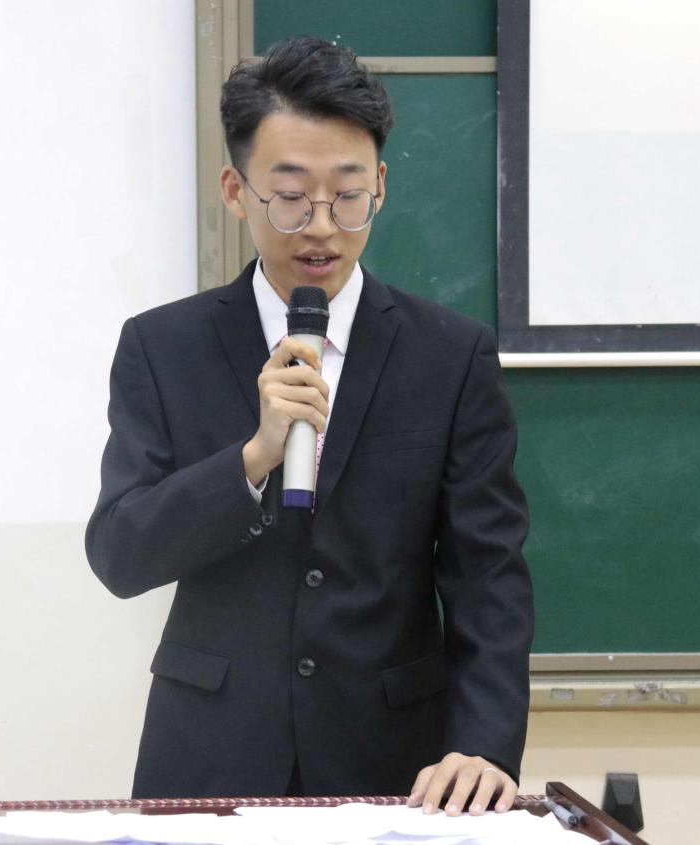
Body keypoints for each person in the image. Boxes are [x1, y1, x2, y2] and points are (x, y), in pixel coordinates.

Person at [85, 36, 533, 816]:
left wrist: (485, 743)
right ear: (236, 190)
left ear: (380, 186)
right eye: (290, 196)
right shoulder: (162, 347)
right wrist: (251, 459)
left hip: (396, 764)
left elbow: (487, 572)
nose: (321, 226)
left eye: (347, 194)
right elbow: (122, 551)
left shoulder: (450, 355)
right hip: (208, 758)